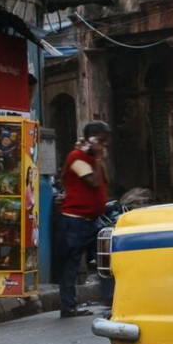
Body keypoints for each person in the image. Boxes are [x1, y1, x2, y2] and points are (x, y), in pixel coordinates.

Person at [56, 120, 111, 317]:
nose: (104, 146)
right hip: (75, 221)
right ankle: (68, 306)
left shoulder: (91, 159)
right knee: (71, 264)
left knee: (105, 260)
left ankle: (111, 300)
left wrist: (98, 157)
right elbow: (94, 182)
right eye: (101, 141)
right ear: (92, 140)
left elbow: (104, 179)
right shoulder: (77, 157)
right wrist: (96, 157)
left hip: (92, 220)